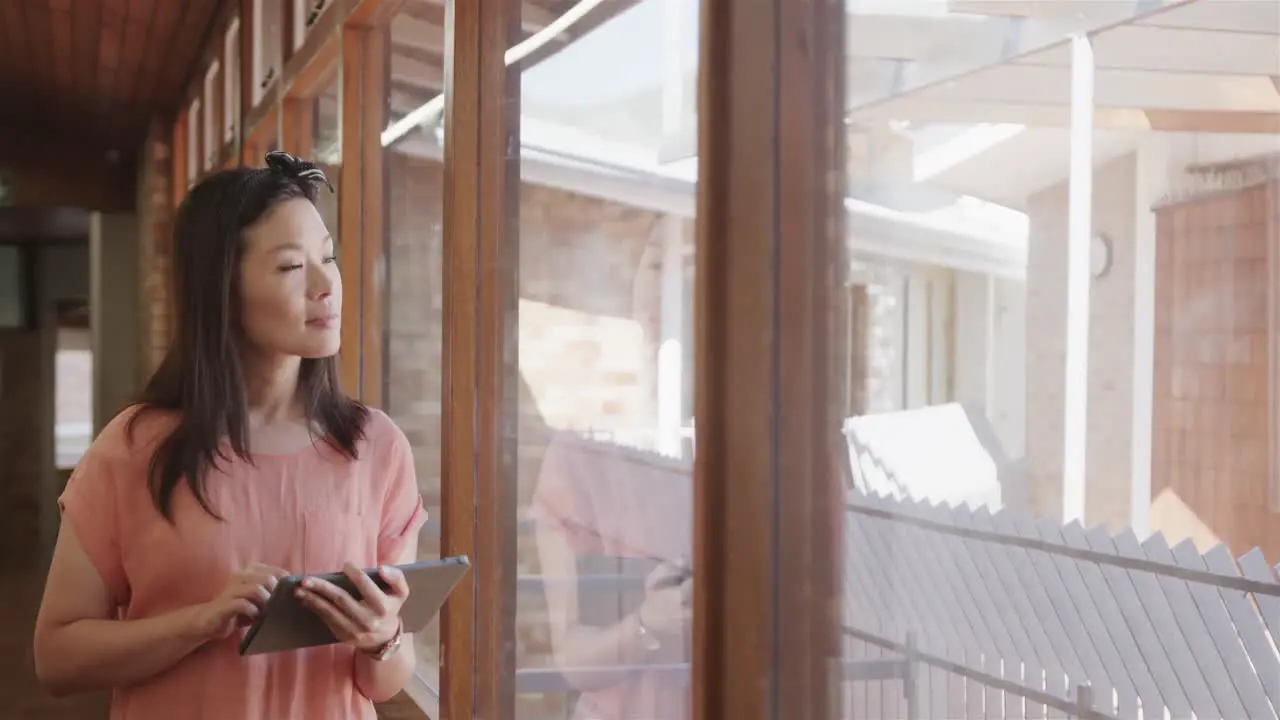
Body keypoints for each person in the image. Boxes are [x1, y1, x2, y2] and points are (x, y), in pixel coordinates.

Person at [32, 151, 427, 719]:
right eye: (292, 267)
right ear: (223, 287)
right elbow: (57, 658)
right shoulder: (134, 449)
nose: (326, 285)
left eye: (329, 259)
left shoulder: (376, 448)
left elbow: (384, 682)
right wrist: (200, 623)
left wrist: (382, 636)